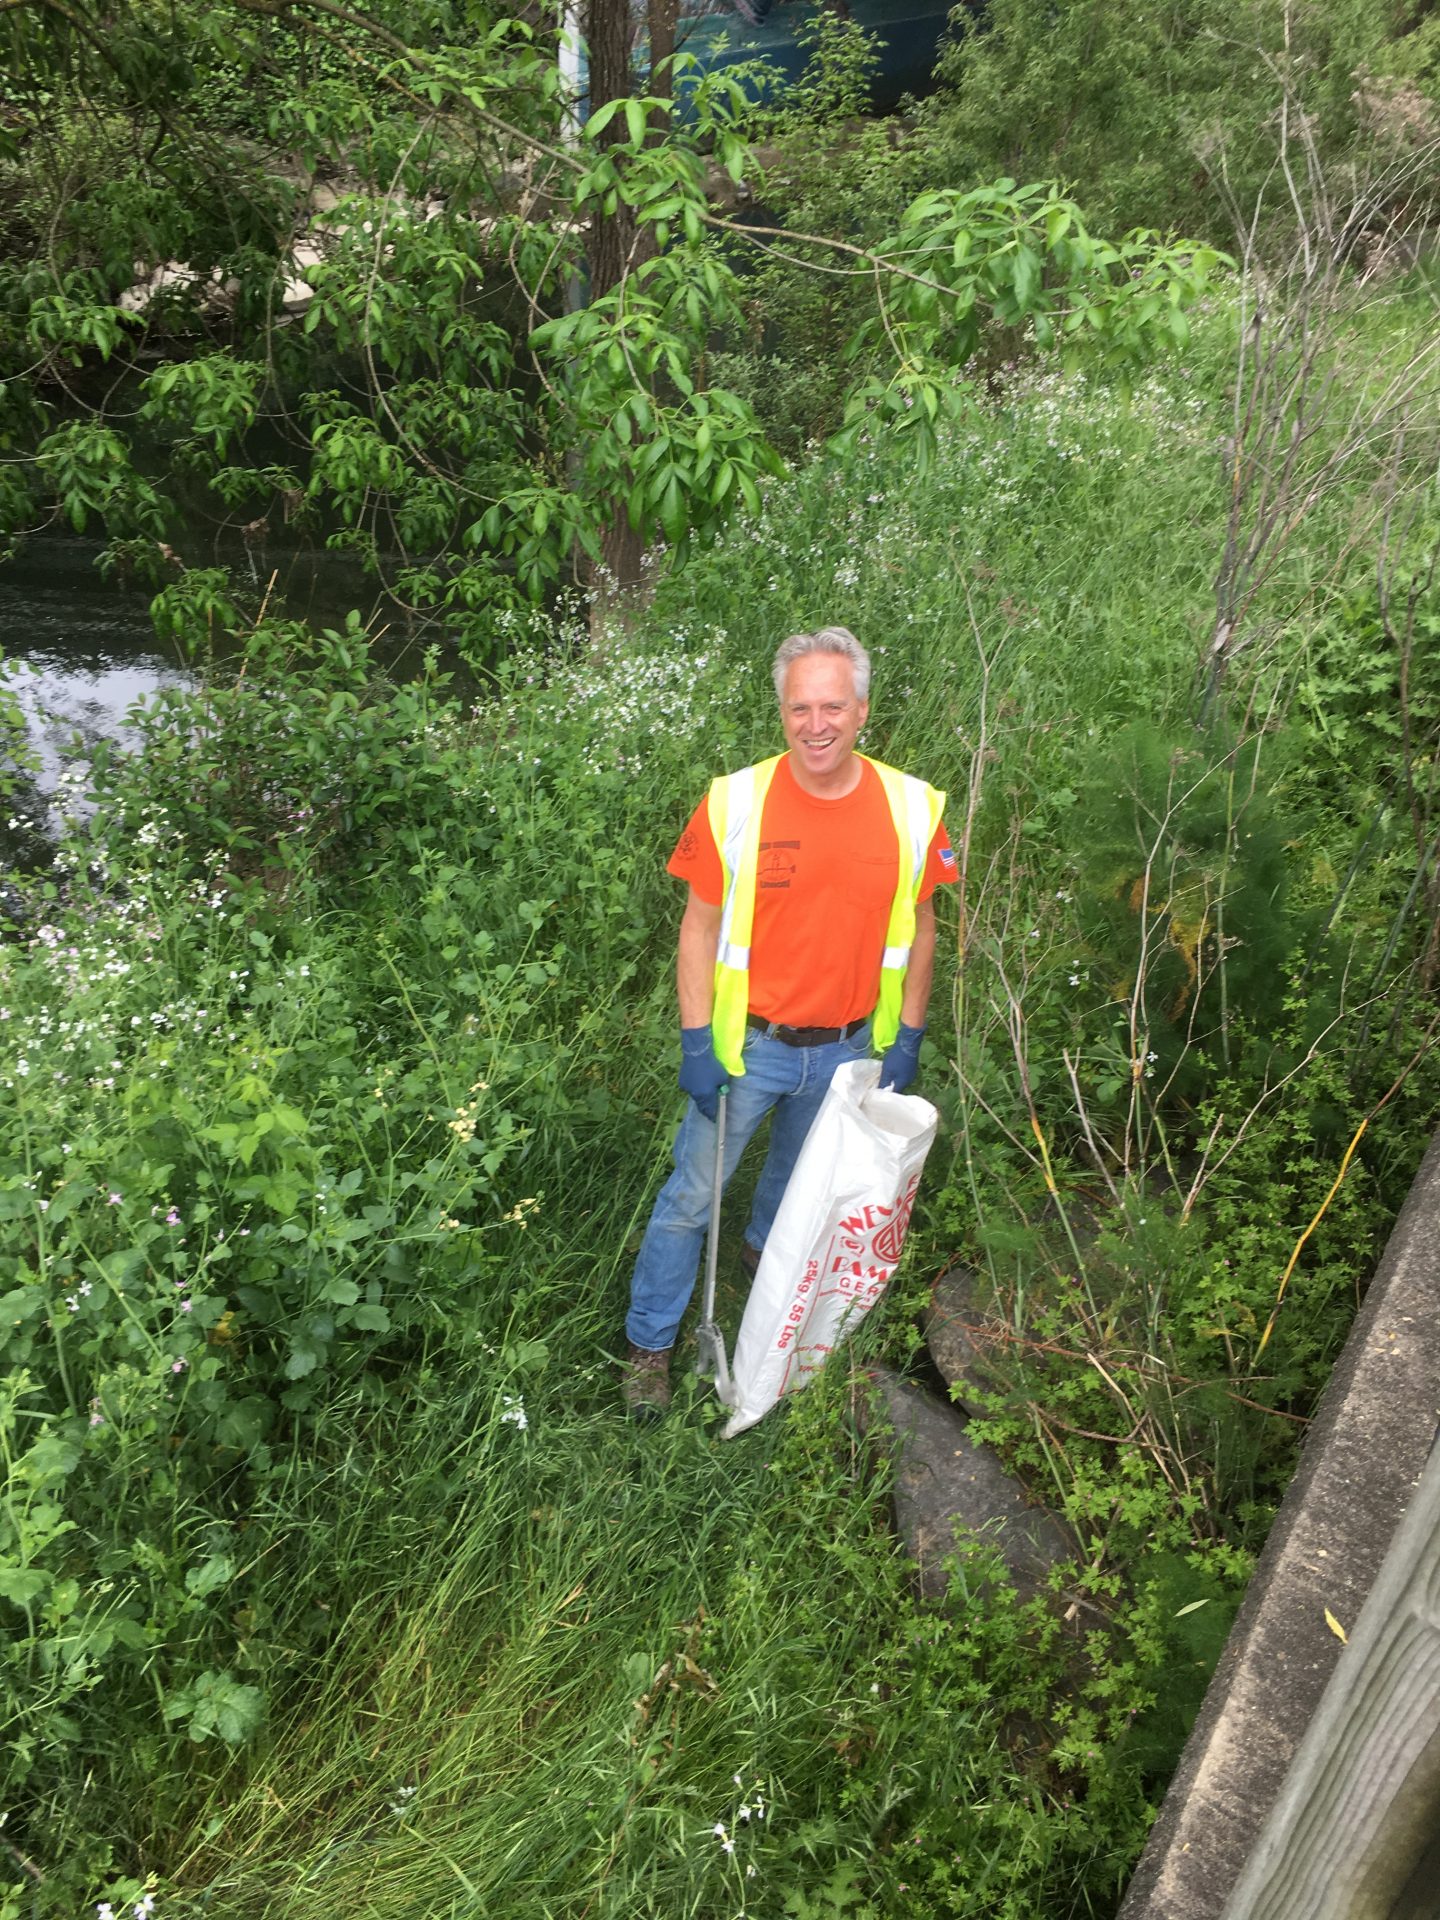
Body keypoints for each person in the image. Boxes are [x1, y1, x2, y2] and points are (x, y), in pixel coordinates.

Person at [621, 625, 956, 1416]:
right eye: (800, 708)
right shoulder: (736, 802)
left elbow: (925, 928)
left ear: (863, 710)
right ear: (782, 713)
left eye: (832, 706)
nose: (816, 725)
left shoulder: (912, 809)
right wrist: (698, 1041)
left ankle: (764, 1278)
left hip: (845, 1055)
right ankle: (648, 1346)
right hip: (750, 1051)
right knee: (691, 1199)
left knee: (797, 1191)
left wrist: (907, 1035)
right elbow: (698, 927)